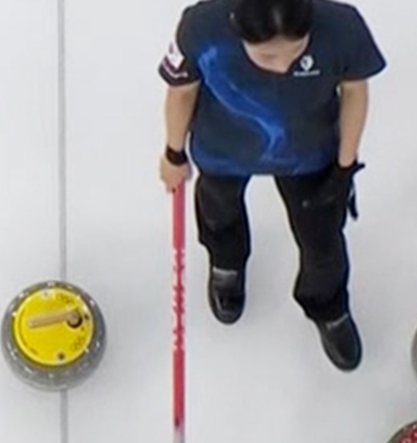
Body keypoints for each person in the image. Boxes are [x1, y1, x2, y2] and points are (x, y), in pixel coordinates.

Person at [158, 0, 385, 370]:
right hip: (223, 151)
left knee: (323, 240)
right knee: (218, 214)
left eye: (296, 51)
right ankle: (227, 265)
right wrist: (173, 154)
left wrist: (345, 167)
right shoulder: (200, 28)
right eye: (266, 55)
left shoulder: (342, 27)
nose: (283, 65)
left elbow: (355, 92)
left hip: (309, 155)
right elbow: (181, 92)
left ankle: (328, 306)